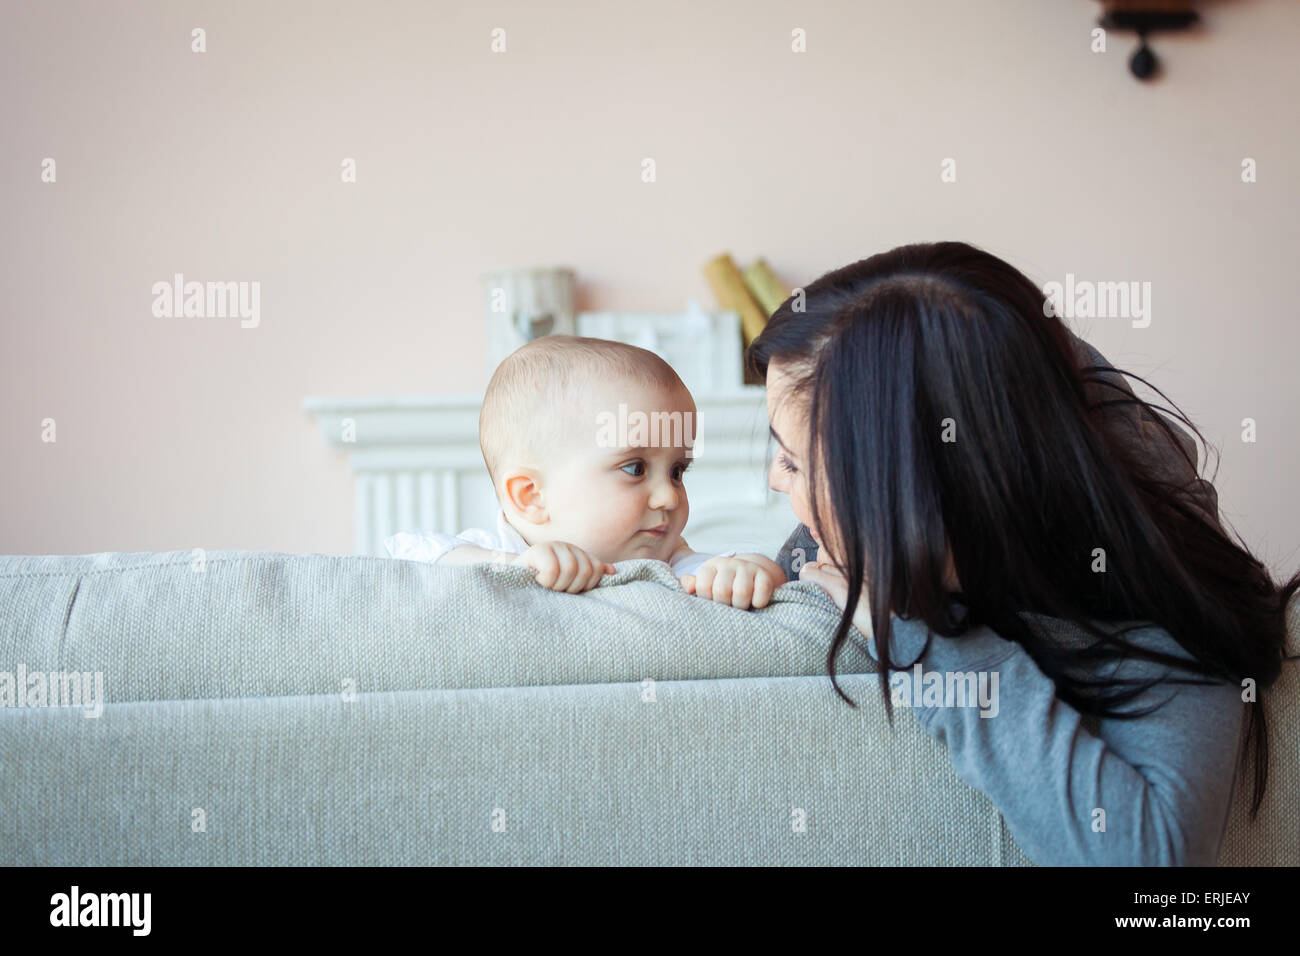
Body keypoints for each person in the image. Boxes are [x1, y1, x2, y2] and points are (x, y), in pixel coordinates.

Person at [749, 240, 1298, 865]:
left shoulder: (1153, 564)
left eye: (793, 461)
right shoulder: (840, 531)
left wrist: (918, 631)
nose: (773, 480)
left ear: (912, 495)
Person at [386, 335, 785, 606]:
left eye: (677, 471)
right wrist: (513, 567)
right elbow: (406, 555)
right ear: (532, 497)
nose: (668, 496)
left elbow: (758, 575)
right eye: (634, 468)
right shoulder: (503, 552)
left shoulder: (671, 563)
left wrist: (748, 572)